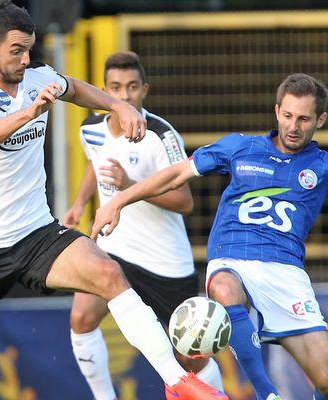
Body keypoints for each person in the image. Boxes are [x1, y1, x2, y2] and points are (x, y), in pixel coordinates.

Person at [0, 2, 228, 400]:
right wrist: (29, 112)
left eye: (29, 50)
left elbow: (73, 87)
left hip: (34, 233)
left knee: (109, 275)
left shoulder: (38, 76)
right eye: (16, 51)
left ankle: (177, 382)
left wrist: (118, 104)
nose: (26, 59)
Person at [90, 72, 328, 400]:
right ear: (276, 112)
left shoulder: (327, 164)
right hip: (232, 258)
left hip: (286, 273)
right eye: (287, 115)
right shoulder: (240, 147)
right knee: (222, 288)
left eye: (304, 119)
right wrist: (120, 200)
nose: (293, 125)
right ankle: (265, 392)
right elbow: (175, 175)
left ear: (320, 119)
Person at [62, 51, 223, 399]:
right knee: (81, 319)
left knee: (189, 357)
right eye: (116, 88)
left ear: (144, 90)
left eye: (132, 87)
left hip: (163, 260)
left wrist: (127, 186)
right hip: (114, 247)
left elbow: (185, 202)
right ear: (105, 90)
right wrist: (78, 204)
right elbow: (96, 163)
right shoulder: (90, 127)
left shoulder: (162, 135)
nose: (124, 96)